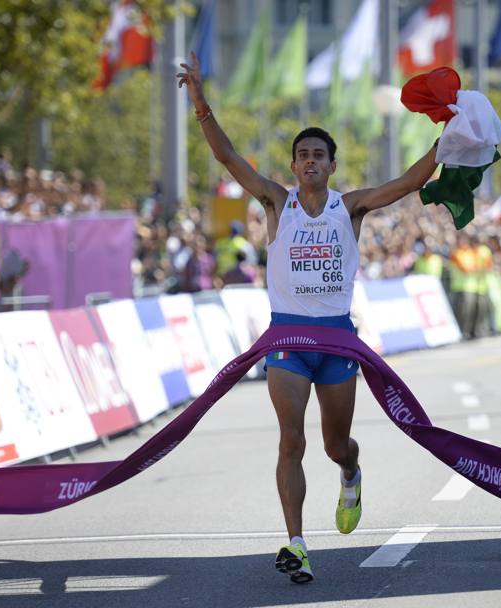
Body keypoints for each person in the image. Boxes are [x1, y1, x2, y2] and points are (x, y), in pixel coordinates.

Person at [177, 52, 439, 584]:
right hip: (288, 339)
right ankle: (296, 544)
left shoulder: (353, 206)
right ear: (294, 166)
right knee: (290, 440)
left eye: (319, 154)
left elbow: (411, 180)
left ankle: (350, 472)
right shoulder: (278, 202)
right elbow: (229, 158)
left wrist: (449, 137)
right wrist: (200, 101)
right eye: (303, 155)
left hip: (338, 341)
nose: (311, 161)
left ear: (332, 166)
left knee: (334, 444)